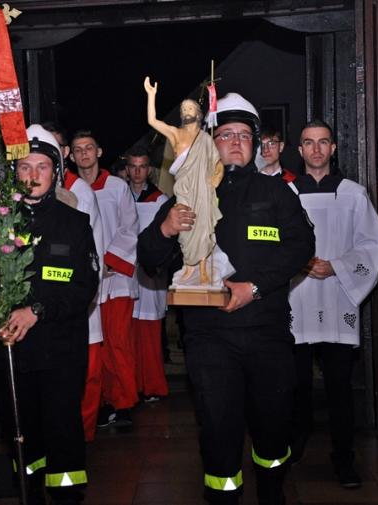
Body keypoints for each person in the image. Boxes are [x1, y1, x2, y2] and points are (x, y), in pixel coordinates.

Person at [138, 92, 315, 505]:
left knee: (273, 429)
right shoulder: (190, 191)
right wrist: (165, 229)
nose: (235, 142)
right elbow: (148, 258)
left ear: (255, 144)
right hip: (209, 340)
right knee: (219, 430)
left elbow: (301, 246)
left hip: (267, 334)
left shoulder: (277, 193)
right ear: (210, 142)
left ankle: (272, 493)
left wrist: (254, 287)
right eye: (226, 135)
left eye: (244, 136)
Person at [0, 125, 99, 505]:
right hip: (12, 358)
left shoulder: (75, 224)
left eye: (42, 167)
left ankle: (68, 498)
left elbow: (83, 287)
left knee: (63, 435)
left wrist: (37, 310)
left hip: (60, 355)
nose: (33, 175)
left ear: (55, 172)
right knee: (23, 442)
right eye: (25, 167)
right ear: (15, 173)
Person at [289, 119, 378, 489]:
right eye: (309, 142)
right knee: (294, 385)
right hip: (296, 299)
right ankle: (294, 444)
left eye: (323, 142)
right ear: (300, 150)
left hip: (338, 299)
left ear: (333, 148)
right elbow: (271, 241)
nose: (316, 149)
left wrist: (338, 267)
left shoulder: (353, 194)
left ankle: (344, 458)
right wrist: (298, 262)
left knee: (339, 389)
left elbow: (374, 244)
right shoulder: (285, 193)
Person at [70, 130, 140, 427]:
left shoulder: (117, 187)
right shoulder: (69, 190)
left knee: (117, 344)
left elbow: (130, 227)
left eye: (89, 148)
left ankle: (123, 403)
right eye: (78, 149)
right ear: (71, 156)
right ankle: (96, 404)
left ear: (99, 152)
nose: (84, 153)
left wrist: (109, 261)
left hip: (115, 279)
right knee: (91, 347)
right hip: (85, 282)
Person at [43, 122, 106, 442]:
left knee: (85, 370)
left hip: (73, 294)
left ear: (63, 153)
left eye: (54, 147)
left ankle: (83, 433)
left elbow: (93, 248)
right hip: (43, 302)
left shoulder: (79, 191)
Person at [144, 77, 223, 285]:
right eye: (184, 109)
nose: (187, 111)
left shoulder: (206, 139)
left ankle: (203, 270)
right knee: (186, 230)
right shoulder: (176, 134)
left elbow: (217, 163)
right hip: (184, 189)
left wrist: (216, 178)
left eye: (190, 108)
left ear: (198, 114)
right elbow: (153, 121)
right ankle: (188, 267)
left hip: (204, 190)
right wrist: (151, 96)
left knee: (203, 229)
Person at [125, 145, 169, 402]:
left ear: (149, 170)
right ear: (127, 169)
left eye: (142, 167)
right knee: (128, 333)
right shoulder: (121, 195)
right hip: (126, 271)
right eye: (133, 167)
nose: (138, 172)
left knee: (149, 334)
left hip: (151, 273)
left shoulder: (160, 200)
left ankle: (153, 386)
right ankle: (132, 386)